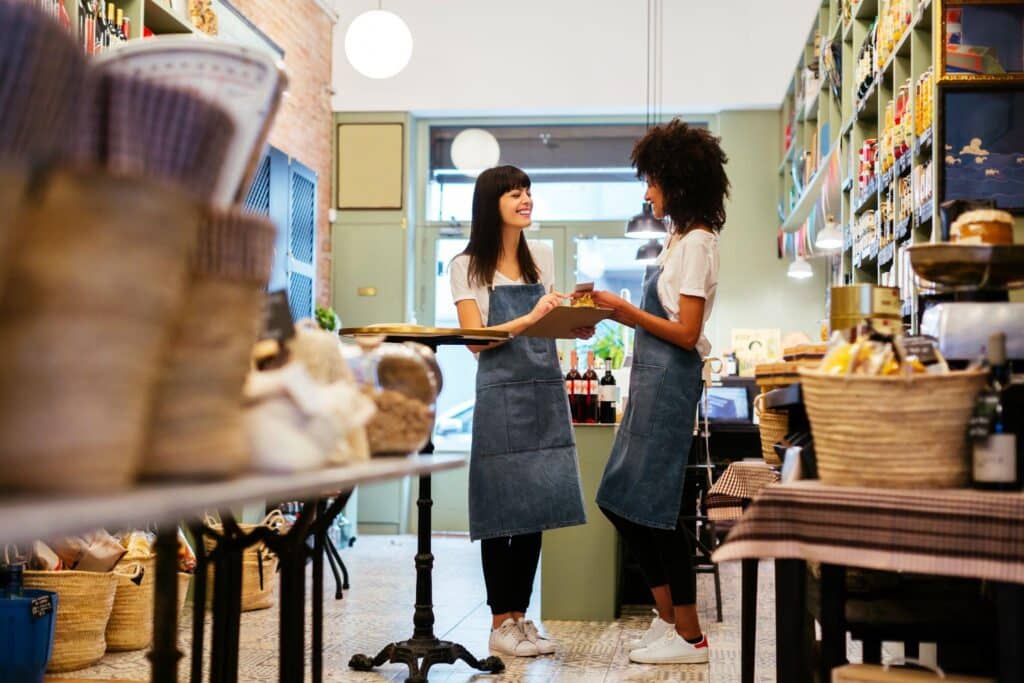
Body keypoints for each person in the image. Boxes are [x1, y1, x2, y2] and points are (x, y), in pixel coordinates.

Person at [589, 119, 727, 665]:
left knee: (658, 511)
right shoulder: (677, 240)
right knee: (623, 503)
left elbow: (688, 333)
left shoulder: (698, 244)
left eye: (652, 181)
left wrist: (624, 312)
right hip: (653, 383)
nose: (647, 192)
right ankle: (669, 621)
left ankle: (689, 636)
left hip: (672, 385)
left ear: (679, 180)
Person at [450, 165, 591, 658]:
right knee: (500, 507)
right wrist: (532, 316)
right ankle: (498, 623)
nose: (526, 199)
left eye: (528, 191)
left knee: (537, 507)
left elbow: (544, 329)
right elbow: (474, 341)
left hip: (542, 390)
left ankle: (521, 618)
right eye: (515, 193)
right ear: (492, 204)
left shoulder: (543, 256)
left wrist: (572, 326)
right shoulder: (466, 265)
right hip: (498, 391)